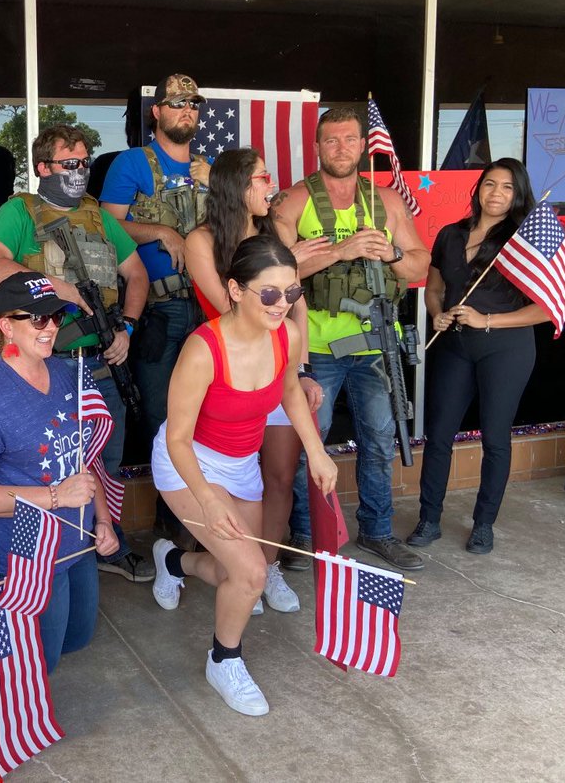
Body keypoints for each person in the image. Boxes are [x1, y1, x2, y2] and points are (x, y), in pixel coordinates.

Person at [149, 236, 338, 716]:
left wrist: (316, 452)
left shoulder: (288, 336)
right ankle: (224, 659)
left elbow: (290, 390)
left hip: (241, 465)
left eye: (291, 292)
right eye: (269, 293)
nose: (283, 304)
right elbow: (177, 439)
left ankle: (173, 562)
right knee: (252, 572)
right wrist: (208, 500)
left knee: (239, 572)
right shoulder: (203, 349)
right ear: (235, 290)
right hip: (189, 462)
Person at [0, 124, 154, 583]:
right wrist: (60, 289)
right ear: (43, 168)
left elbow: (137, 275)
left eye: (84, 163)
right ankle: (53, 548)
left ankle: (105, 541)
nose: (79, 172)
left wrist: (129, 328)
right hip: (46, 365)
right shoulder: (21, 211)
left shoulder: (98, 216)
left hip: (101, 360)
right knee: (47, 461)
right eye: (69, 163)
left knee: (105, 458)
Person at [273, 107, 430, 571]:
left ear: (363, 145)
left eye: (349, 140)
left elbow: (420, 267)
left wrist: (393, 252)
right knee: (310, 444)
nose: (341, 148)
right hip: (316, 346)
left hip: (376, 345)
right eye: (331, 141)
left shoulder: (387, 202)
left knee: (381, 440)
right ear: (318, 148)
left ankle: (378, 531)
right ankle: (306, 532)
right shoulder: (294, 202)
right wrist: (341, 251)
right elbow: (272, 276)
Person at [0, 272, 120, 671]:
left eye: (57, 316)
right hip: (25, 550)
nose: (51, 328)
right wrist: (57, 497)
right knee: (32, 662)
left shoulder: (65, 373)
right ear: (7, 326)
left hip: (75, 536)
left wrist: (104, 520)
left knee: (77, 638)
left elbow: (82, 455)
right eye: (38, 320)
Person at [184, 148, 326, 614]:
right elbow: (233, 315)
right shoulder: (202, 240)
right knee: (230, 479)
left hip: (280, 371)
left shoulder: (274, 233)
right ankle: (233, 565)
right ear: (238, 187)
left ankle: (268, 566)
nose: (271, 186)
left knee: (281, 475)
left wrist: (298, 369)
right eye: (263, 178)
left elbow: (295, 307)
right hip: (227, 374)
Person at [408, 159, 543, 555]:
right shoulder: (451, 235)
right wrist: (437, 314)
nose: (496, 194)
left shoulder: (523, 241)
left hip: (506, 348)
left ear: (517, 194)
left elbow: (547, 308)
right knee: (439, 434)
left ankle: (484, 524)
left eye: (506, 187)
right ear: (478, 189)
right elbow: (433, 288)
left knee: (495, 437)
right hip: (455, 346)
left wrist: (489, 319)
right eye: (489, 184)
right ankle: (429, 518)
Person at [99, 74, 211, 450]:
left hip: (207, 306)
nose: (187, 111)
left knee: (208, 414)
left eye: (193, 104)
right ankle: (167, 507)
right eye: (177, 103)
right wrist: (163, 232)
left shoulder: (206, 168)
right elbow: (106, 225)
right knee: (160, 417)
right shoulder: (133, 163)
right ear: (157, 111)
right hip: (158, 311)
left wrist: (217, 180)